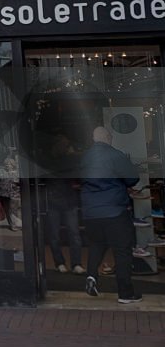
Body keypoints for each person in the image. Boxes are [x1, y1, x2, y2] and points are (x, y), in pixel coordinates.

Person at [80, 126, 142, 304]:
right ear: (109, 138)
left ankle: (91, 276)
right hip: (114, 210)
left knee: (96, 245)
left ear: (93, 139)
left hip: (91, 212)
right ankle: (125, 293)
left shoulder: (85, 157)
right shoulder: (115, 154)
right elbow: (132, 178)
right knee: (122, 250)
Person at [44, 135, 84, 274]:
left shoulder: (63, 160)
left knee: (70, 234)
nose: (68, 148)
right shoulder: (54, 160)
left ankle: (72, 263)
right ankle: (66, 263)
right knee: (62, 234)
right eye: (65, 146)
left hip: (64, 199)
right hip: (59, 199)